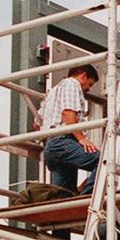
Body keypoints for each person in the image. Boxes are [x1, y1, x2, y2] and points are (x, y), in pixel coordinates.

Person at [42, 64, 100, 193]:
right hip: (63, 141)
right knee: (103, 161)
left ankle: (71, 208)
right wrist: (81, 138)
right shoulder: (72, 84)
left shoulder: (52, 92)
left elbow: (37, 122)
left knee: (64, 194)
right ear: (83, 76)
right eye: (89, 84)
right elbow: (68, 112)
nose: (88, 89)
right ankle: (85, 199)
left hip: (51, 146)